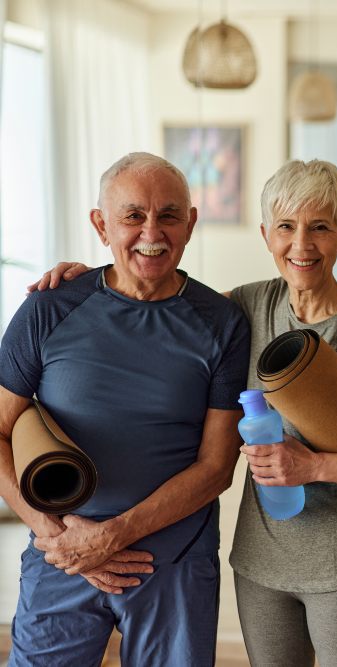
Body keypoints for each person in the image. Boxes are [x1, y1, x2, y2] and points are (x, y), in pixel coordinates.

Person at [34, 160, 337, 667]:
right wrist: (88, 282)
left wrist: (315, 467)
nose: (302, 244)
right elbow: (161, 304)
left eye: (320, 227)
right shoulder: (246, 308)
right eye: (286, 227)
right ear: (265, 235)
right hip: (260, 569)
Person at [0, 152, 251, 665]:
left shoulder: (223, 322)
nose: (151, 232)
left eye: (169, 215)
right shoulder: (50, 307)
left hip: (175, 562)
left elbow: (216, 467)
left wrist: (112, 536)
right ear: (101, 224)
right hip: (61, 556)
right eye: (133, 215)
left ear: (191, 224)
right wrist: (59, 535)